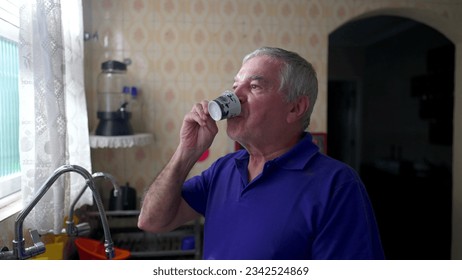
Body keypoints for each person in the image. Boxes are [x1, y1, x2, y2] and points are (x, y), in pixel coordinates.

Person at [138, 47, 384, 260]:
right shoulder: (224, 169)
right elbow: (152, 221)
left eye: (254, 86)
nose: (234, 96)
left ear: (295, 108)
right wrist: (186, 152)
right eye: (235, 86)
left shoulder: (338, 185)